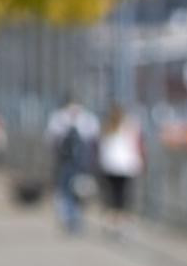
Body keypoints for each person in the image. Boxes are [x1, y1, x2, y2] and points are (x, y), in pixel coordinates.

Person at [44, 96, 100, 236]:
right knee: (66, 189)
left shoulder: (87, 119)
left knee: (80, 189)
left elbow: (93, 140)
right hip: (65, 161)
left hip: (81, 161)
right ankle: (69, 216)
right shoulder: (59, 118)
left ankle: (76, 217)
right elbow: (52, 140)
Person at [97, 104, 145, 238]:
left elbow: (102, 147)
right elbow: (137, 145)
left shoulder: (107, 127)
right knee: (125, 197)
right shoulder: (130, 126)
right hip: (127, 167)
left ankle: (112, 222)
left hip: (110, 166)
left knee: (113, 195)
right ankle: (123, 224)